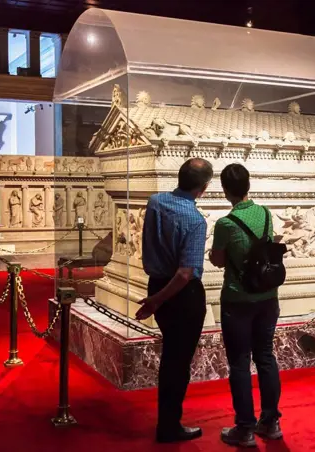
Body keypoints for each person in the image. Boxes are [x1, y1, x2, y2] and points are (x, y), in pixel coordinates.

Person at [135, 158, 213, 443]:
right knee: (178, 363)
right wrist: (155, 301)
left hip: (157, 282)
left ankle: (168, 421)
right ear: (203, 189)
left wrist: (156, 297)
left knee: (171, 357)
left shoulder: (156, 201)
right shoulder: (194, 220)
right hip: (180, 295)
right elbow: (184, 274)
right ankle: (169, 425)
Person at [210, 163, 283, 447]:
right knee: (265, 355)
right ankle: (271, 421)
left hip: (238, 298)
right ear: (248, 185)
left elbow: (218, 260)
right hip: (267, 297)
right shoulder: (264, 213)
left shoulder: (225, 224)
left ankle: (245, 428)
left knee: (240, 362)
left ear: (225, 190)